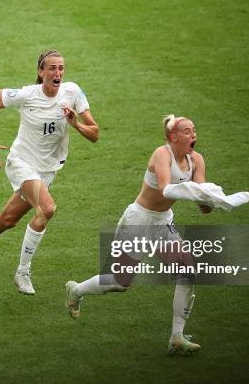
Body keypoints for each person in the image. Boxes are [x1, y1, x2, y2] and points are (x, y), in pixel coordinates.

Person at [0, 50, 99, 295]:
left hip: (47, 170)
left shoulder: (73, 92)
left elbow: (95, 134)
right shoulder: (26, 95)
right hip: (21, 163)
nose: (58, 73)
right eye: (52, 68)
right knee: (47, 209)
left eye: (61, 68)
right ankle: (22, 272)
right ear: (41, 72)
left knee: (8, 219)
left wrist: (75, 124)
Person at [65, 115, 211, 354]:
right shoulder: (161, 155)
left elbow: (202, 199)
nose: (193, 134)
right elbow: (166, 188)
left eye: (194, 130)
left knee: (187, 272)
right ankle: (77, 290)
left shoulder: (197, 160)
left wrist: (209, 202)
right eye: (187, 131)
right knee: (122, 282)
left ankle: (176, 337)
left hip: (163, 222)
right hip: (138, 221)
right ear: (174, 136)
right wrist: (199, 194)